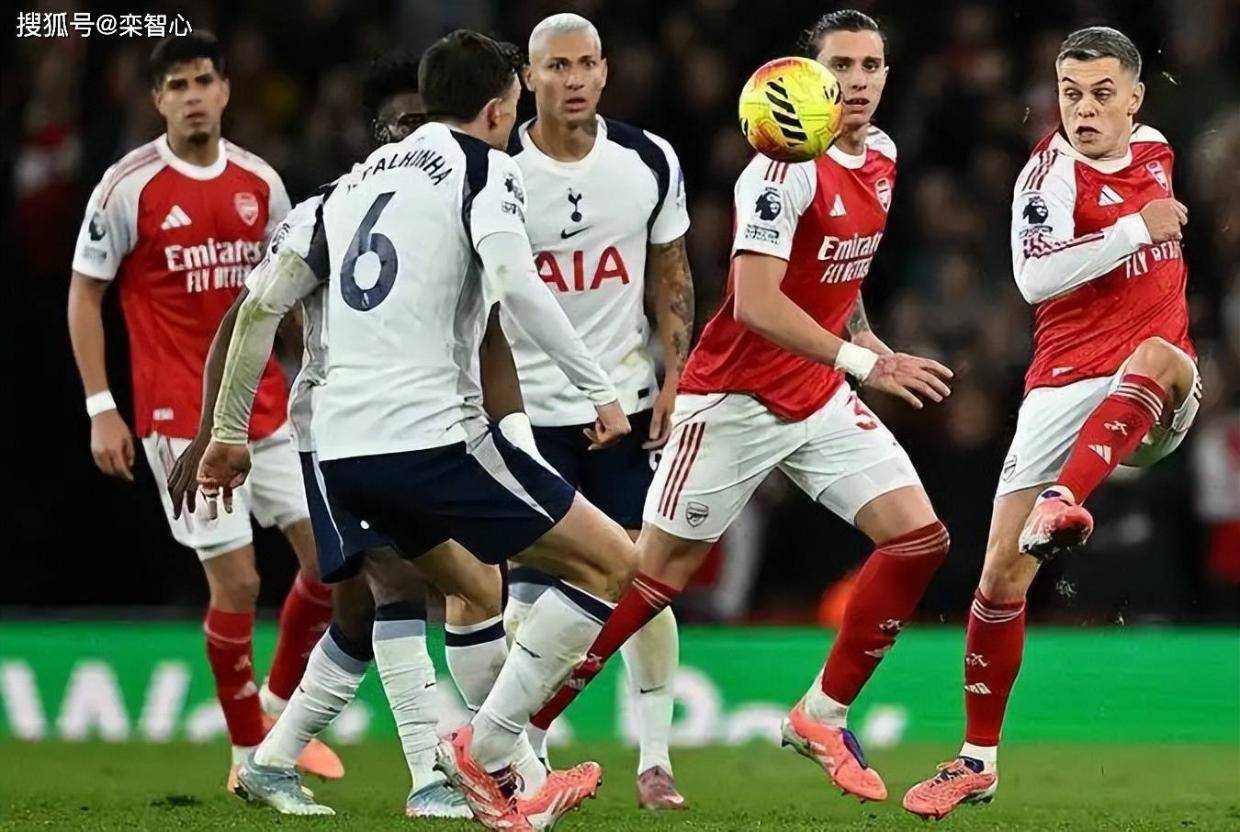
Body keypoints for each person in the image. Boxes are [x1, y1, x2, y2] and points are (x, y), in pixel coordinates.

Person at [197, 30, 637, 831]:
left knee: (475, 589)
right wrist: (598, 390)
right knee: (615, 563)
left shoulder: (339, 192)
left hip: (340, 450)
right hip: (430, 440)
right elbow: (516, 285)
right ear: (498, 109)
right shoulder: (485, 169)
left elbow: (257, 308)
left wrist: (227, 431)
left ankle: (514, 785)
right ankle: (483, 753)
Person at [527, 9, 953, 804]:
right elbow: (755, 303)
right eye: (840, 68)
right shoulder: (781, 170)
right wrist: (867, 362)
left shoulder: (884, 157)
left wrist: (864, 338)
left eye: (870, 66)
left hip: (816, 395)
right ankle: (516, 730)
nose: (856, 82)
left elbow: (842, 271)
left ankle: (821, 714)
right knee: (648, 578)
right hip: (734, 399)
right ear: (806, 77)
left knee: (918, 540)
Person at [902, 26, 1200, 820]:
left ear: (1135, 99)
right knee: (999, 581)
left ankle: (1064, 499)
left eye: (1102, 94)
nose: (1085, 109)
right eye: (1071, 94)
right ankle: (977, 761)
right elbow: (1034, 278)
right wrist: (1136, 229)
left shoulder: (1157, 149)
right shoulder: (1046, 175)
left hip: (1150, 386)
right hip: (1064, 388)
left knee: (1161, 355)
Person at [66, 30, 339, 788]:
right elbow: (85, 295)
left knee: (333, 564)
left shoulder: (262, 183)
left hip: (266, 408)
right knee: (239, 584)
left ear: (225, 90)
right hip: (178, 418)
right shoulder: (126, 188)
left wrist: (315, 371)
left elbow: (290, 296)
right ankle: (249, 756)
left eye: (203, 81)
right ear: (158, 100)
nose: (192, 96)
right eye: (177, 85)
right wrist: (100, 405)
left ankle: (276, 712)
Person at [502, 12, 694, 810]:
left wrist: (676, 376)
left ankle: (656, 761)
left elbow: (671, 271)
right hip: (526, 414)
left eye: (586, 64)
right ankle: (529, 753)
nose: (574, 79)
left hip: (628, 406)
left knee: (644, 578)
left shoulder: (648, 159)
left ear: (605, 71)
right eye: (557, 66)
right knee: (526, 592)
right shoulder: (498, 171)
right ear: (529, 77)